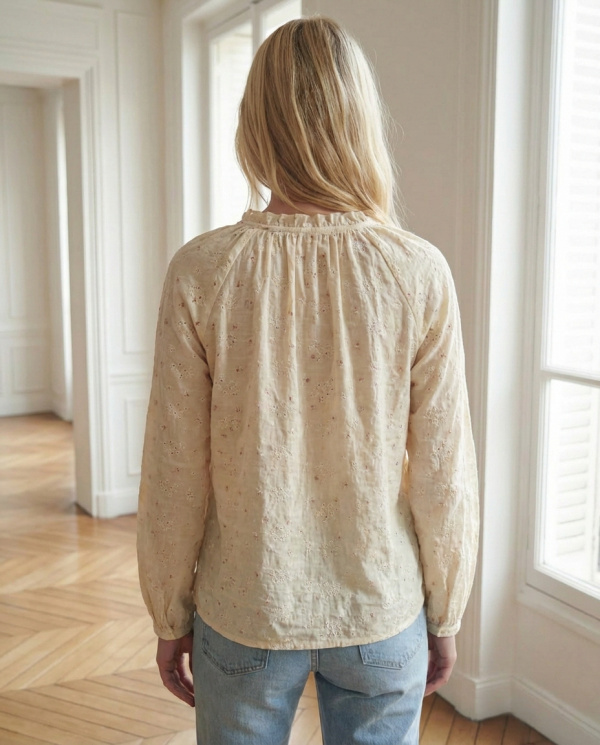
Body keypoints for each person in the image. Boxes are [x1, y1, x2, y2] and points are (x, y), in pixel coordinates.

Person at [137, 16, 479, 745]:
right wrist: (446, 611)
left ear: (254, 126)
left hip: (246, 606)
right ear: (360, 123)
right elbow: (445, 472)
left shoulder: (204, 271)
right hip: (381, 609)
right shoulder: (418, 272)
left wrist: (168, 612)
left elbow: (173, 469)